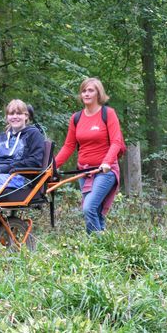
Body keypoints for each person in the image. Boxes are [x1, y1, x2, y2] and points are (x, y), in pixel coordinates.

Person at [55, 78, 125, 233]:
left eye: (90, 90)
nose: (86, 94)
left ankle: (94, 247)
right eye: (84, 91)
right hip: (84, 172)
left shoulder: (108, 113)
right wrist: (52, 166)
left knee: (88, 208)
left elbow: (116, 142)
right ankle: (104, 250)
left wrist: (107, 162)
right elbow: (68, 146)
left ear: (98, 93)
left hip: (105, 171)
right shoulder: (76, 118)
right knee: (97, 213)